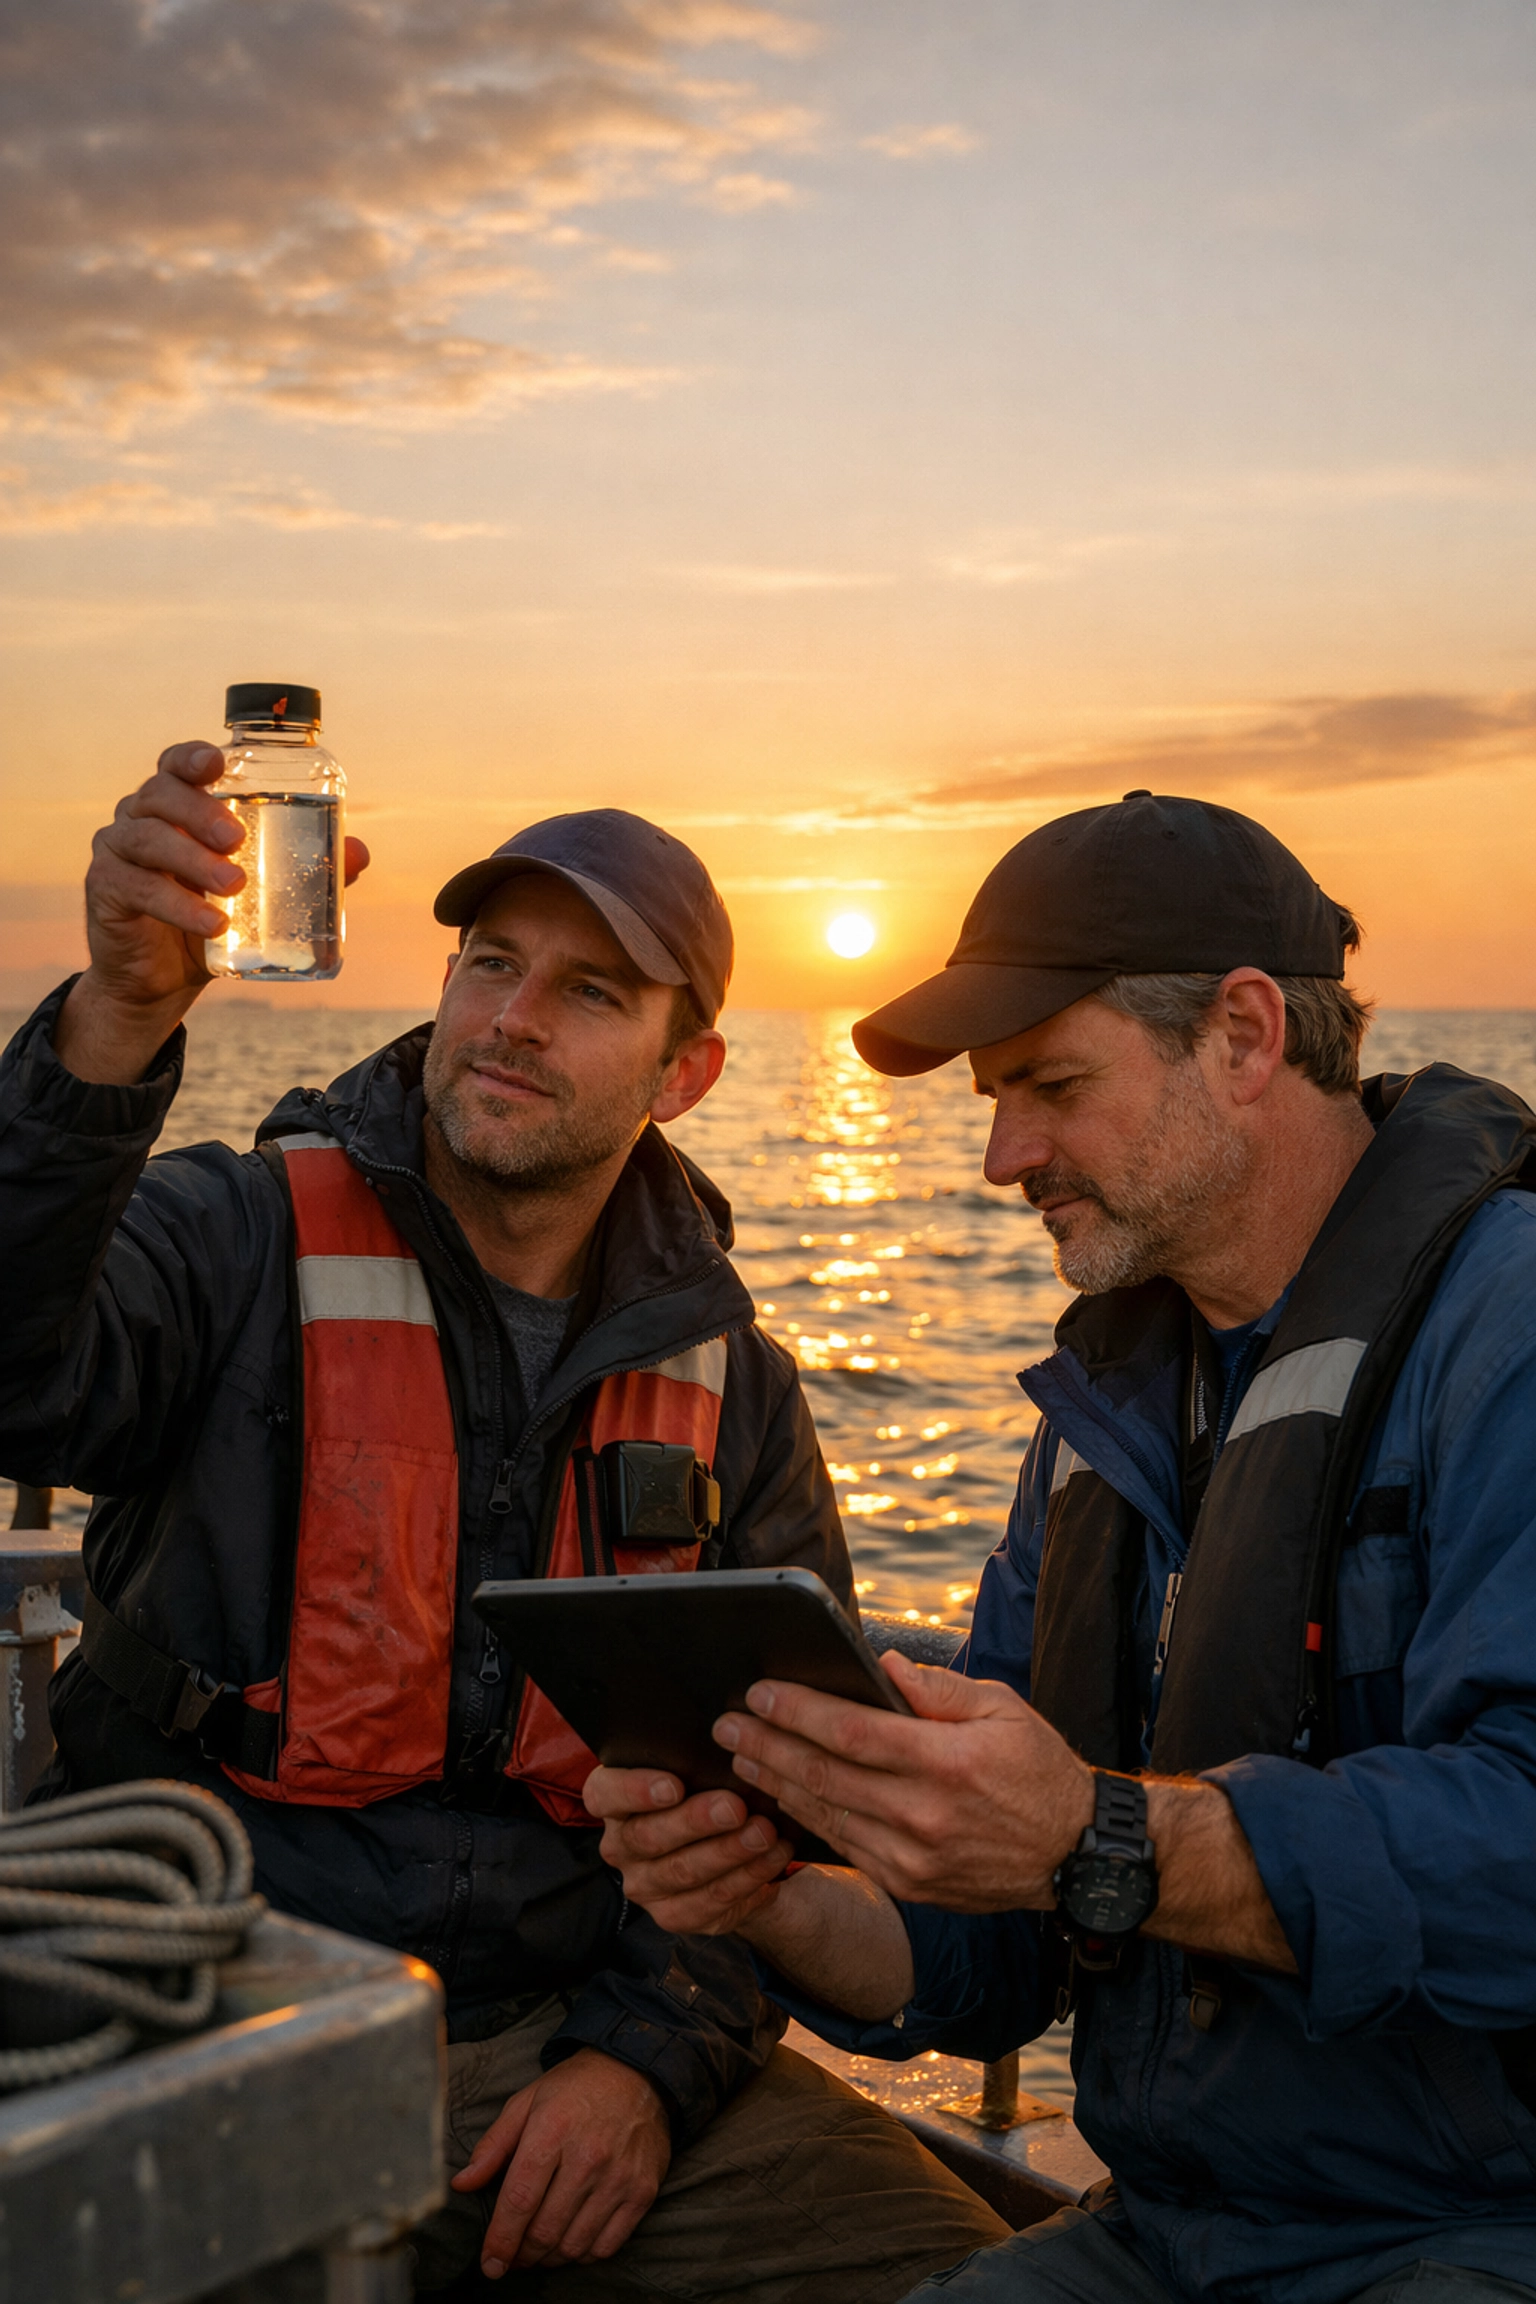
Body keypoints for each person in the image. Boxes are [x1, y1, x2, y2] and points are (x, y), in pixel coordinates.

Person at [0, 738, 1008, 2299]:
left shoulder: (735, 1389)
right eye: (491, 964)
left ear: (689, 1075)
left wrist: (641, 2072)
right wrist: (116, 1025)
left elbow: (773, 1810)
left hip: (560, 2045)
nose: (513, 1021)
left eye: (593, 991)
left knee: (963, 2271)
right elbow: (15, 1380)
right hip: (207, 2002)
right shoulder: (234, 1237)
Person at [589, 791, 1536, 2304]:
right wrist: (772, 1889)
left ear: (1242, 1038)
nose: (999, 1156)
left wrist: (1103, 1839)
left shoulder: (1512, 1328)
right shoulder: (1108, 1410)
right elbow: (1000, 1961)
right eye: (988, 1098)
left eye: (1049, 1085)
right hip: (1172, 2232)